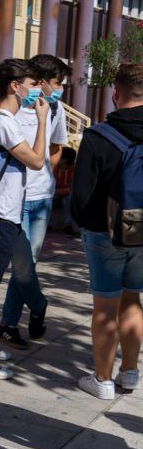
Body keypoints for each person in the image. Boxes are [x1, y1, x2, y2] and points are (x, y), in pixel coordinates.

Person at [0, 54, 67, 351]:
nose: (43, 89)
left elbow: (49, 153)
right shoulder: (1, 118)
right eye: (36, 83)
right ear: (17, 85)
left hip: (34, 197)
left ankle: (1, 328)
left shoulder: (52, 109)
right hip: (3, 207)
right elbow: (34, 159)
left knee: (17, 268)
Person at [71, 63, 143, 399]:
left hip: (106, 231)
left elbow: (81, 198)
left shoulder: (99, 136)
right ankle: (129, 372)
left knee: (105, 307)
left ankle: (102, 380)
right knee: (133, 300)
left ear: (116, 92)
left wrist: (84, 224)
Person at [54, 146, 78, 236]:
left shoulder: (75, 169)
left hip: (67, 193)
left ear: (64, 160)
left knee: (69, 199)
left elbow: (74, 188)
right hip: (55, 192)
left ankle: (68, 226)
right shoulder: (54, 167)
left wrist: (60, 191)